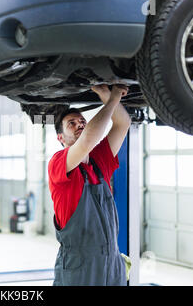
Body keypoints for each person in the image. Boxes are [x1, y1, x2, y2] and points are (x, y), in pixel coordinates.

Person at [48, 84, 131, 286]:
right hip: (80, 269)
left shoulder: (98, 162)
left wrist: (106, 94)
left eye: (82, 121)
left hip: (111, 264)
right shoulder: (58, 163)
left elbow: (123, 123)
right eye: (72, 124)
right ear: (61, 138)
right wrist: (112, 100)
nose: (80, 125)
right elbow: (87, 141)